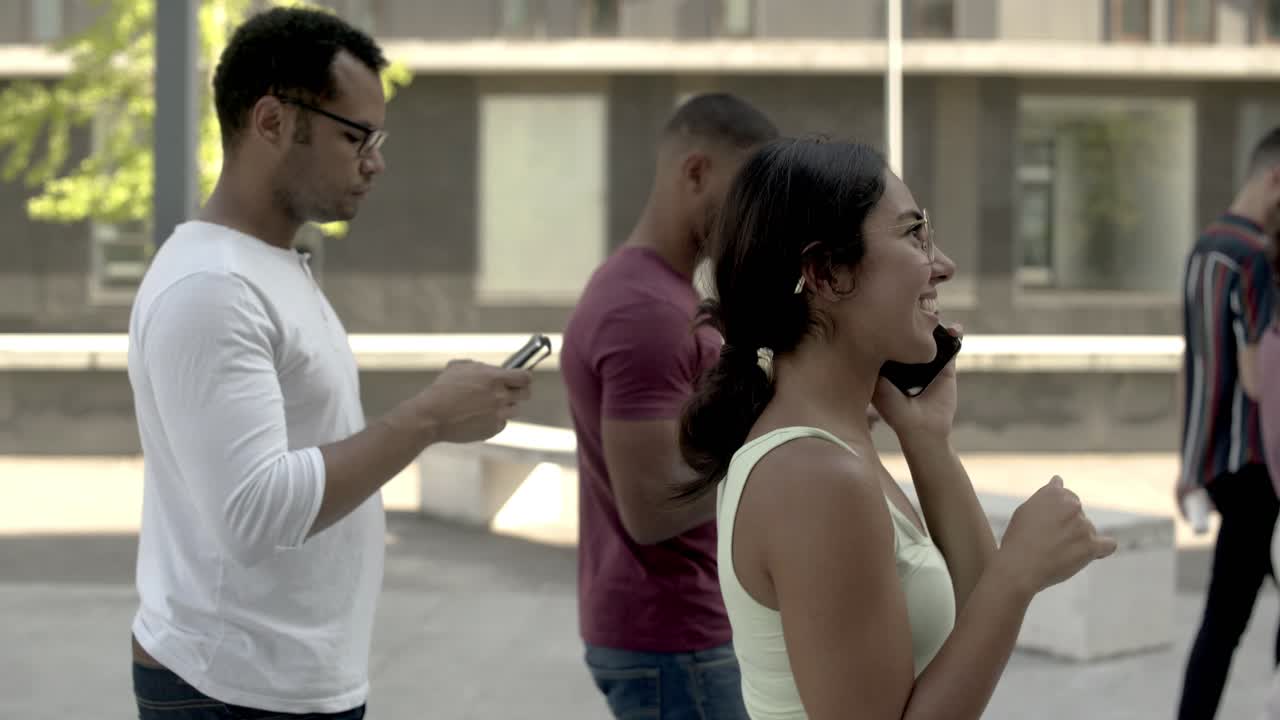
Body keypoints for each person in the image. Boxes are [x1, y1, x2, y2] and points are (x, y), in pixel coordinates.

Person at [127, 8, 532, 718]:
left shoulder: (269, 265)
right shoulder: (213, 288)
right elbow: (253, 512)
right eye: (357, 137)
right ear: (272, 122)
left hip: (283, 680)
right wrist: (430, 416)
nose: (375, 160)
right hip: (229, 688)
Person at [676, 138, 1116, 719]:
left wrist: (927, 441)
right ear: (827, 273)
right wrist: (1018, 572)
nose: (944, 265)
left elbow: (972, 610)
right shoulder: (814, 477)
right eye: (916, 235)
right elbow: (994, 594)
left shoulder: (831, 445)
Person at [559, 92, 779, 718]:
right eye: (745, 193)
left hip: (674, 633)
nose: (754, 218)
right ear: (696, 172)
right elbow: (653, 509)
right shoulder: (646, 312)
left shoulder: (657, 294)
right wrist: (786, 441)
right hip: (674, 637)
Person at [1176, 128, 1280, 720]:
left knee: (1221, 624)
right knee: (1226, 621)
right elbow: (1255, 380)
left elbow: (1193, 367)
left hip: (1219, 464)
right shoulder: (1256, 258)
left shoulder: (1203, 249)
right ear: (1274, 179)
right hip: (1260, 467)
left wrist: (1188, 466)